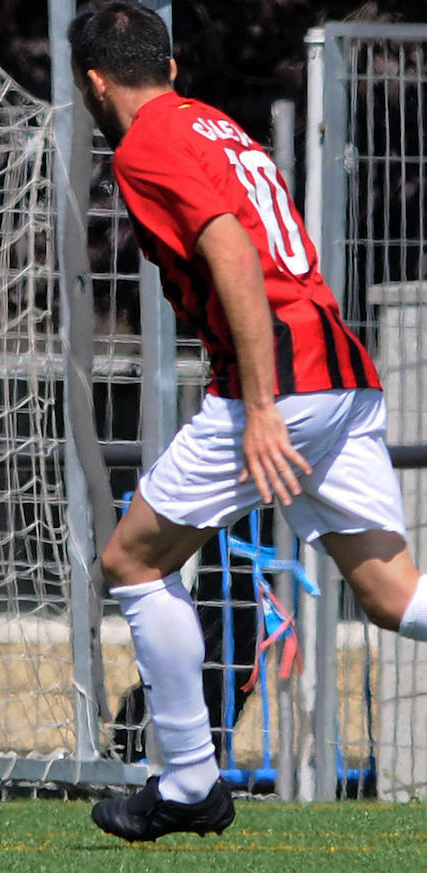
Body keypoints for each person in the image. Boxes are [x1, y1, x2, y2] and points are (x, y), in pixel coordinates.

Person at [69, 0, 427, 842]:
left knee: (132, 561)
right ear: (170, 66)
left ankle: (190, 780)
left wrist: (260, 406)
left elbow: (229, 247)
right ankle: (189, 776)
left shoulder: (147, 143)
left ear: (93, 81)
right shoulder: (212, 124)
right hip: (341, 370)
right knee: (391, 594)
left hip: (283, 385)